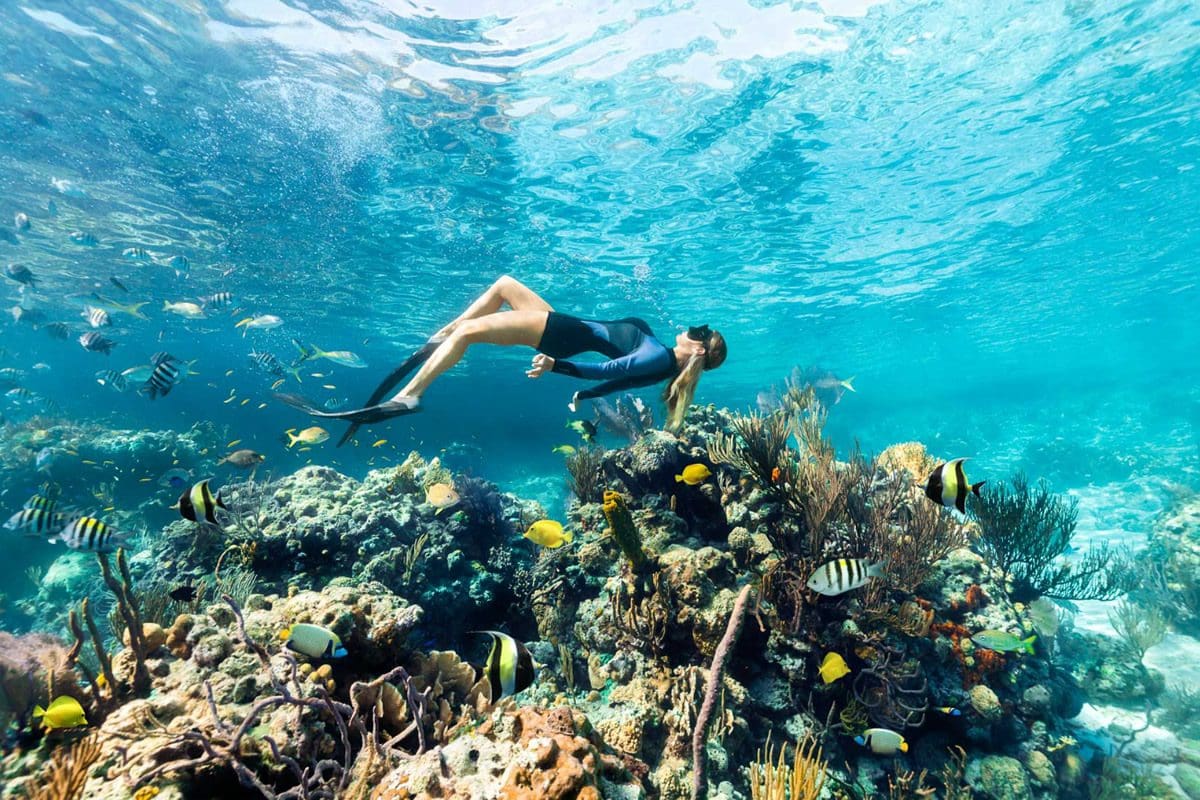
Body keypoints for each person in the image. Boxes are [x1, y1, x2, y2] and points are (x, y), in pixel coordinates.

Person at [276, 275, 726, 443]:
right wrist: (584, 394)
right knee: (505, 285)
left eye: (700, 333)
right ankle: (442, 337)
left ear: (700, 350)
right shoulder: (662, 362)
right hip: (563, 325)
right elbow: (617, 383)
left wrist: (559, 368)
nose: (692, 329)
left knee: (471, 332)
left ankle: (411, 395)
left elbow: (608, 369)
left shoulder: (657, 356)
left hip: (560, 335)